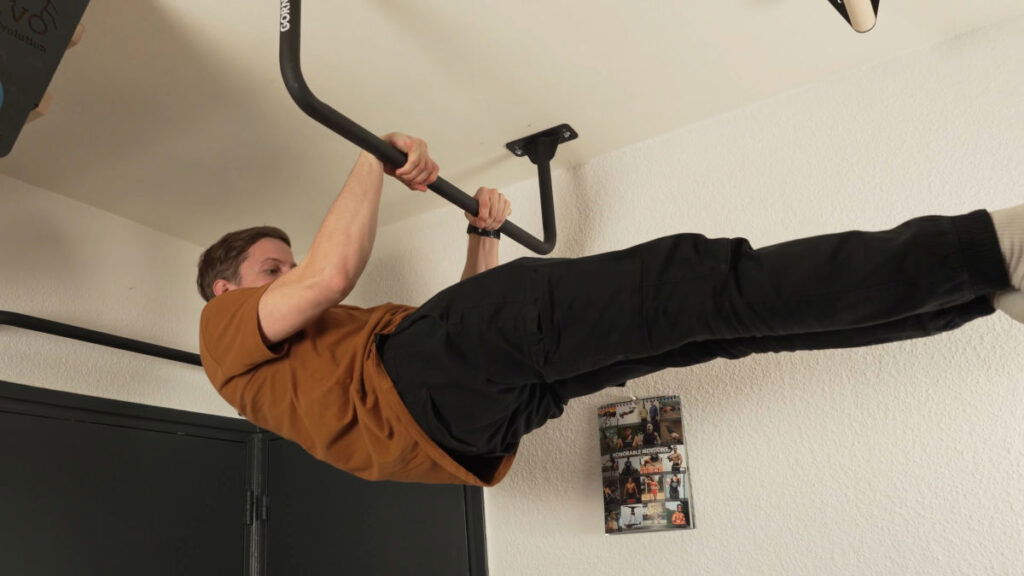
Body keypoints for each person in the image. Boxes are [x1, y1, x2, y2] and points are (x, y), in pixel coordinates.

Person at [198, 132, 1024, 487]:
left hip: (468, 419)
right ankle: (997, 249)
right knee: (706, 283)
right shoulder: (222, 333)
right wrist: (372, 153)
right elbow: (338, 271)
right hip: (443, 382)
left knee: (722, 325)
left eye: (290, 261)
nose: (294, 272)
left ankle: (981, 294)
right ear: (228, 290)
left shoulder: (314, 373)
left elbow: (452, 336)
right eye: (276, 267)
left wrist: (482, 237)